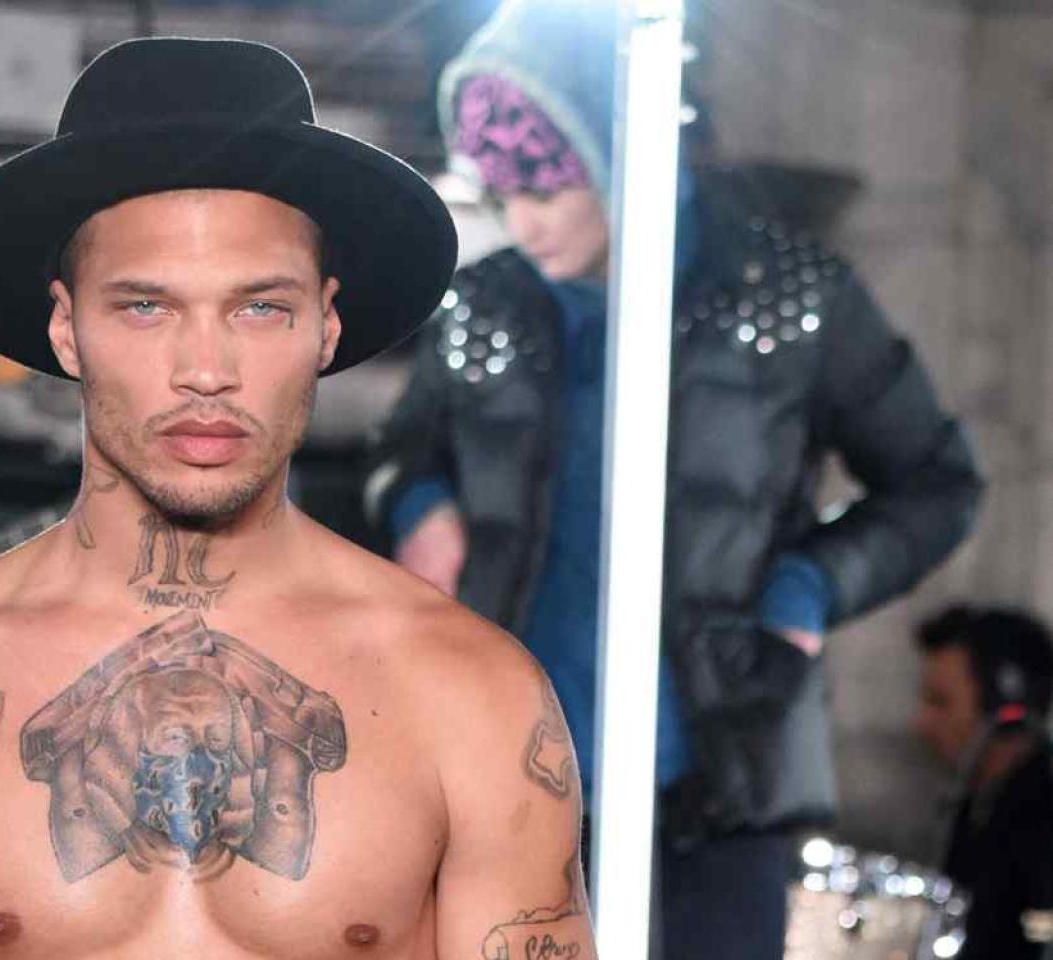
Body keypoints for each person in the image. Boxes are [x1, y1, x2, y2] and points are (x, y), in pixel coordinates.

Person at [0, 37, 597, 960]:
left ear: (326, 325)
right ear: (66, 329)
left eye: (260, 308)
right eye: (146, 307)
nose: (206, 369)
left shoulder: (471, 696)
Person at [366, 1, 982, 957]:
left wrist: (810, 585)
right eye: (502, 193)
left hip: (725, 763)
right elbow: (399, 454)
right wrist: (420, 507)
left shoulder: (793, 299)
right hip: (510, 766)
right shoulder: (483, 304)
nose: (523, 223)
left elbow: (938, 484)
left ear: (617, 153)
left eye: (547, 189)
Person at [913, 606, 1053, 959]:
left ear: (1004, 705)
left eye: (941, 703)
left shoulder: (1040, 817)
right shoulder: (977, 808)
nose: (922, 723)